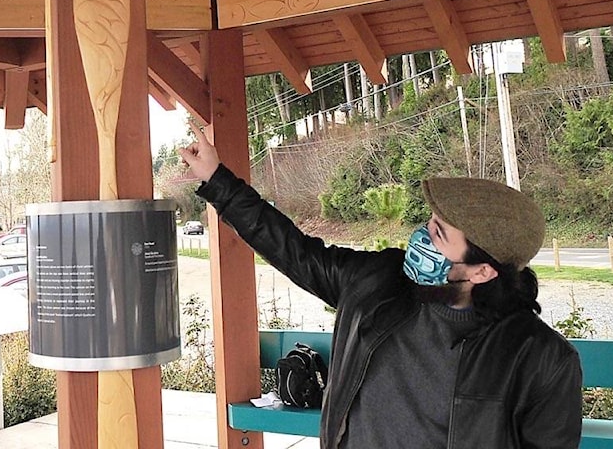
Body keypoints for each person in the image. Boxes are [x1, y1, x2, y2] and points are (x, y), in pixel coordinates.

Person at [179, 126, 582, 449]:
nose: (421, 236)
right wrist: (218, 182)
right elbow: (293, 250)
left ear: (482, 272)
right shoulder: (375, 281)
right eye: (429, 222)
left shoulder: (540, 359)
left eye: (439, 235)